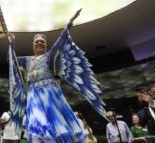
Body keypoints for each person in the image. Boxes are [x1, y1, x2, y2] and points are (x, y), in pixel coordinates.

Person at [7, 9, 107, 143]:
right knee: (38, 124)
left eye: (42, 41)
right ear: (33, 45)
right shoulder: (26, 59)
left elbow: (61, 41)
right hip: (33, 94)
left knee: (57, 124)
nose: (39, 42)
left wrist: (69, 24)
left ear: (46, 45)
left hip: (50, 94)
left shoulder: (49, 56)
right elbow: (12, 60)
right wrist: (11, 44)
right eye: (37, 41)